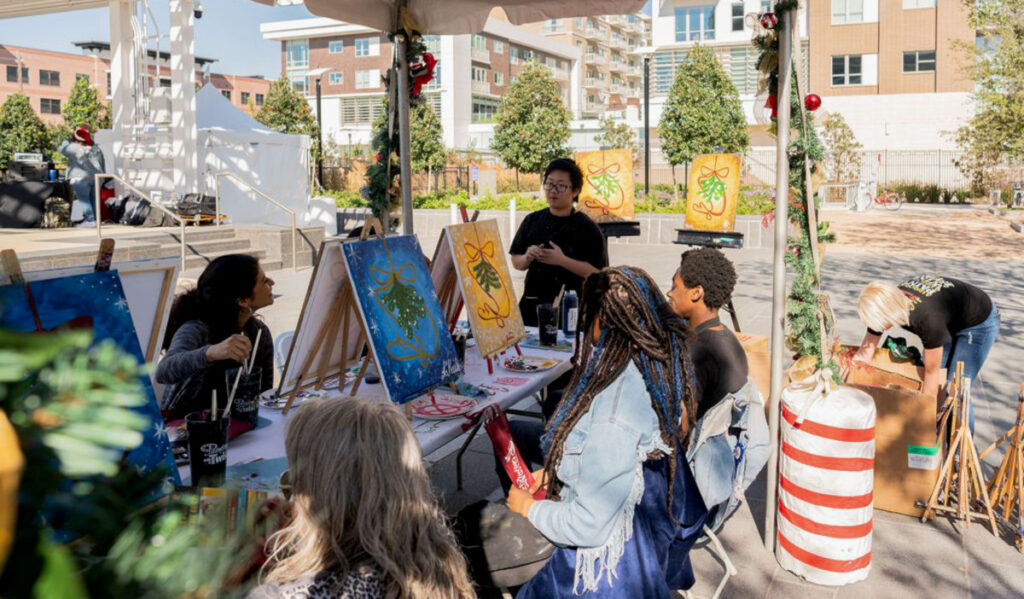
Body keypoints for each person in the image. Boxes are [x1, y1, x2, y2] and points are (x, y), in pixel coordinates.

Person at [506, 266, 707, 597]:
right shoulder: (654, 364)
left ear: (605, 323)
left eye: (590, 319)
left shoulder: (615, 413)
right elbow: (605, 463)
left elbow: (588, 525)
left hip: (598, 573)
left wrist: (528, 508)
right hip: (636, 536)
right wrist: (557, 472)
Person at [251, 397, 475, 599]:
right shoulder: (433, 556)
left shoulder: (295, 593)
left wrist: (230, 573)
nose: (291, 500)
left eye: (294, 485)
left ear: (324, 498)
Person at [855, 276, 1000, 429]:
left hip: (978, 323)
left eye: (880, 323)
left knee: (955, 390)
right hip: (948, 315)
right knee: (940, 386)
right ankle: (940, 434)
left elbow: (931, 373)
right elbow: (865, 351)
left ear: (890, 312)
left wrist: (923, 427)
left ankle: (956, 450)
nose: (879, 327)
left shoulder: (925, 319)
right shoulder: (885, 303)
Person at [156, 254, 275, 419]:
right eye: (264, 281)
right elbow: (164, 371)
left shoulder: (260, 333)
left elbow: (265, 393)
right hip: (190, 427)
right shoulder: (197, 328)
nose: (272, 283)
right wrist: (210, 353)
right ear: (243, 301)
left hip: (242, 424)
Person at [509, 158, 607, 328]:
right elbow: (517, 262)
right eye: (549, 184)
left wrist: (562, 260)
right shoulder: (532, 220)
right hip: (531, 308)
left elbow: (599, 275)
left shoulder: (587, 228)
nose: (553, 191)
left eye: (561, 186)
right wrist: (528, 257)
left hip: (569, 311)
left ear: (575, 191)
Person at [667, 248, 749, 419]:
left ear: (696, 293)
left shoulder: (699, 352)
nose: (669, 293)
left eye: (675, 286)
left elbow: (682, 423)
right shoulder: (725, 336)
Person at [59, 125, 105, 227]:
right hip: (96, 177)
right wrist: (103, 178)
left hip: (80, 177)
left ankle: (90, 220)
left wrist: (67, 140)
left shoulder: (74, 147)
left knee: (85, 200)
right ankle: (95, 220)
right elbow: (102, 163)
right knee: (93, 199)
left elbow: (62, 149)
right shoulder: (96, 148)